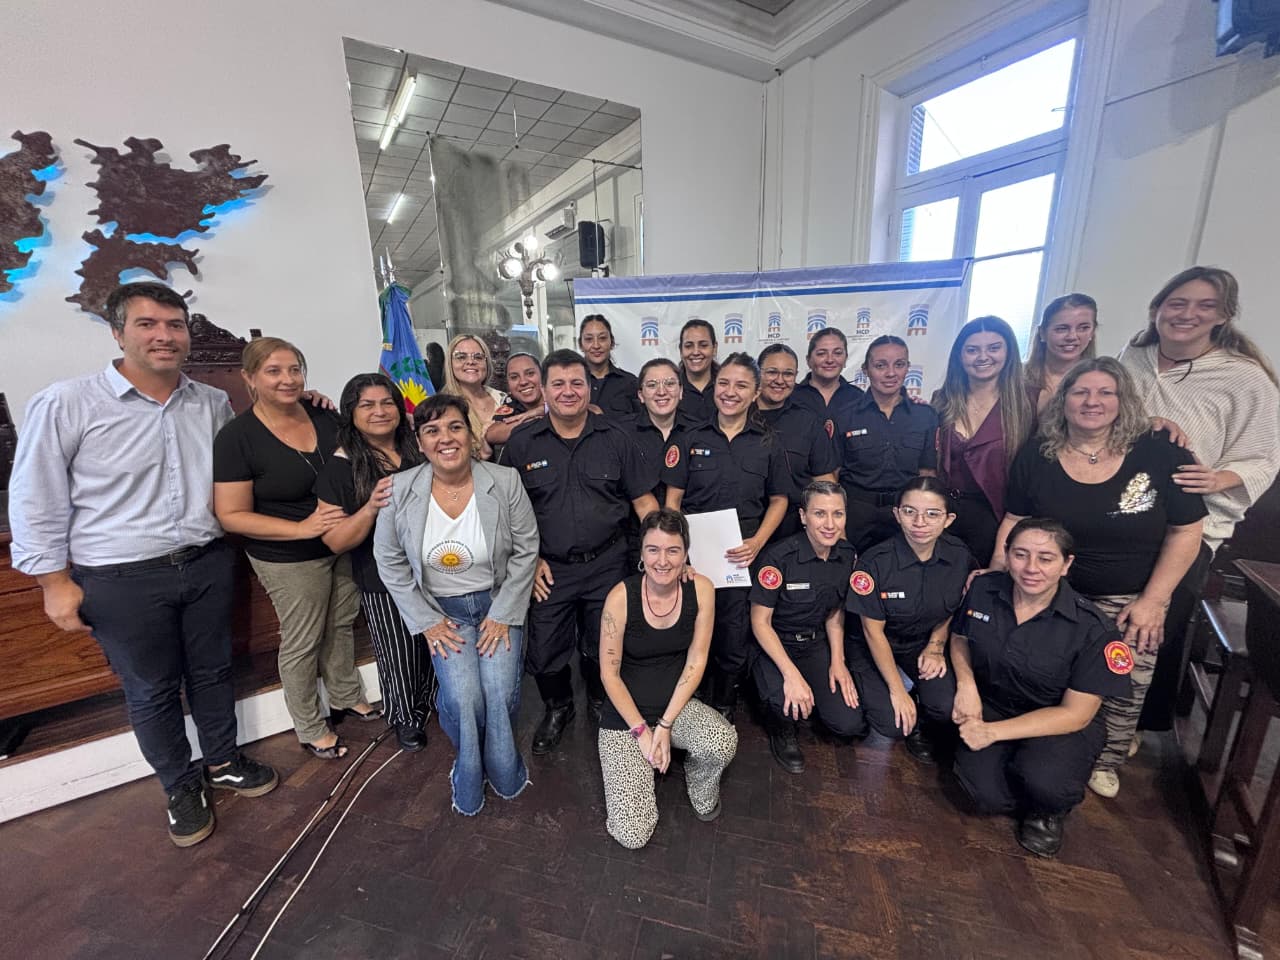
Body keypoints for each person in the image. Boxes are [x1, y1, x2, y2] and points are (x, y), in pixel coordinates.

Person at [9, 281, 277, 847]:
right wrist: (53, 582)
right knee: (152, 689)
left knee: (213, 672)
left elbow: (242, 462)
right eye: (148, 324)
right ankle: (181, 786)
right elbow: (35, 496)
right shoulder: (67, 403)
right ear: (116, 332)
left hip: (204, 562)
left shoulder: (209, 402)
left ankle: (224, 762)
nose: (164, 335)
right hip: (121, 576)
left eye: (174, 325)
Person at [993, 358, 1206, 799]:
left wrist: (1154, 600)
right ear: (1063, 401)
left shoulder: (1159, 450)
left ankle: (1106, 759)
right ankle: (1046, 744)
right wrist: (998, 575)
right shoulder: (1039, 452)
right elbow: (1015, 518)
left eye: (1105, 392)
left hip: (1130, 592)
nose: (1092, 401)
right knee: (1045, 671)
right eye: (1080, 392)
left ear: (1123, 399)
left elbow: (1186, 530)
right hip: (1050, 586)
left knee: (1124, 673)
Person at [1120, 266, 1280, 732]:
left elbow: (1265, 456)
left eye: (1204, 306)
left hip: (1190, 523)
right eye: (1177, 303)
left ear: (1224, 316)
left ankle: (1139, 724)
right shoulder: (1134, 355)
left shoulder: (1245, 378)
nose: (1187, 314)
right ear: (1158, 309)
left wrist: (1217, 478)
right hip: (1124, 510)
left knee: (1160, 625)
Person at [373, 395, 539, 815]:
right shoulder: (399, 490)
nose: (445, 438)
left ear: (471, 433)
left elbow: (526, 550)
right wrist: (426, 621)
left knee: (498, 692)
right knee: (464, 698)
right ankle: (468, 772)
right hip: (442, 613)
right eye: (432, 430)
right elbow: (388, 561)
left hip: (495, 604)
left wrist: (502, 613)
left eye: (454, 427)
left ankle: (505, 770)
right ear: (420, 441)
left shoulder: (503, 481)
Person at [214, 337, 376, 761]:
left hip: (340, 541)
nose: (287, 379)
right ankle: (309, 724)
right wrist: (300, 528)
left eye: (294, 370)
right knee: (303, 639)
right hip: (286, 553)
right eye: (273, 371)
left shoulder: (323, 415)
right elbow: (230, 515)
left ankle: (345, 694)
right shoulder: (237, 437)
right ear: (249, 379)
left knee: (341, 622)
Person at [503, 349, 660, 754]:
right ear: (543, 390)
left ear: (589, 388)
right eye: (558, 383)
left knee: (602, 644)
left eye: (577, 383)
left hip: (608, 563)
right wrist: (529, 559)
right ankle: (558, 707)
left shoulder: (617, 438)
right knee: (545, 650)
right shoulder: (521, 443)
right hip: (548, 569)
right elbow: (502, 512)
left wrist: (666, 554)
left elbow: (644, 504)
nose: (568, 391)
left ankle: (598, 700)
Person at [950, 519, 1132, 857]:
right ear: (1006, 556)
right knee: (982, 796)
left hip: (1058, 723)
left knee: (1044, 782)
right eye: (1020, 555)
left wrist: (991, 733)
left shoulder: (1094, 629)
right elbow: (961, 638)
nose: (1031, 568)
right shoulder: (985, 589)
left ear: (1067, 565)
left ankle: (1047, 811)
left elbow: (1076, 715)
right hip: (996, 702)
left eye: (1046, 558)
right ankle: (1017, 775)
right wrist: (966, 683)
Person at [597, 509, 735, 848]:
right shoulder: (620, 597)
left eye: (673, 550)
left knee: (721, 742)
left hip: (676, 706)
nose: (663, 560)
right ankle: (643, 772)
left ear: (686, 552)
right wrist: (643, 732)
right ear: (641, 554)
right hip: (626, 716)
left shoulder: (701, 589)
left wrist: (666, 723)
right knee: (632, 835)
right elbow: (608, 674)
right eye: (653, 550)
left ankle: (696, 778)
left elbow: (697, 657)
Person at [664, 352, 791, 718]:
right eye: (724, 383)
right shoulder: (689, 438)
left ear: (755, 393)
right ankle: (686, 704)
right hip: (693, 558)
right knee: (689, 628)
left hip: (741, 557)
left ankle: (722, 705)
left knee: (732, 636)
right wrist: (677, 551)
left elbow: (780, 500)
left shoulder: (769, 442)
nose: (730, 392)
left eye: (741, 385)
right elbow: (673, 499)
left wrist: (758, 542)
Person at [315, 373, 432, 752]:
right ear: (351, 413)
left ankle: (434, 704)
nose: (380, 411)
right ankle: (405, 718)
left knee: (435, 644)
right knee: (397, 651)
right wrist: (370, 507)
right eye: (367, 405)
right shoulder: (341, 464)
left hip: (435, 567)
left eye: (387, 403)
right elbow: (334, 540)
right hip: (381, 577)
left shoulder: (418, 446)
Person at [846, 477, 971, 764]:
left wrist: (937, 646)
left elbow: (952, 606)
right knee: (891, 724)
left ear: (948, 520)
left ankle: (919, 707)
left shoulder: (959, 556)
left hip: (920, 644)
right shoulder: (875, 562)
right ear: (896, 514)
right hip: (874, 645)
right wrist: (896, 690)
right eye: (909, 511)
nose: (920, 522)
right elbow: (872, 632)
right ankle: (902, 690)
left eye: (932, 514)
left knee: (946, 707)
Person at [749, 481, 863, 774]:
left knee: (848, 722)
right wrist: (791, 674)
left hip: (814, 644)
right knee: (786, 704)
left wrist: (838, 662)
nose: (829, 524)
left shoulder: (847, 556)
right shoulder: (778, 558)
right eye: (819, 514)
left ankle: (809, 699)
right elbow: (760, 622)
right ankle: (781, 728)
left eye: (837, 514)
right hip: (775, 645)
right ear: (803, 516)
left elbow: (835, 613)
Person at [932, 316, 1033, 566]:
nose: (983, 357)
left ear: (1008, 351)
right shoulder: (941, 400)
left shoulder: (1030, 401)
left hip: (998, 518)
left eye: (994, 348)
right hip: (944, 517)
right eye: (972, 350)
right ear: (959, 356)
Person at [836, 336, 939, 551]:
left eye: (899, 364)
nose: (890, 373)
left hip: (907, 516)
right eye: (880, 365)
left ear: (907, 368)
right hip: (857, 514)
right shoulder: (845, 416)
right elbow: (833, 476)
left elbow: (927, 473)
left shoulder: (925, 416)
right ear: (866, 369)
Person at [756, 344, 839, 542]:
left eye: (788, 374)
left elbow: (825, 481)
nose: (779, 380)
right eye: (772, 372)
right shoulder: (738, 417)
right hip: (747, 524)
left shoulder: (807, 422)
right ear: (758, 373)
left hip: (794, 530)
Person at [620, 357, 696, 559]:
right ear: (641, 395)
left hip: (691, 541)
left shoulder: (698, 431)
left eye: (670, 384)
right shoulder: (621, 433)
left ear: (681, 391)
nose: (661, 391)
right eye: (652, 385)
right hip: (635, 544)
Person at [1025, 294, 1098, 412]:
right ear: (1043, 333)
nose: (1072, 336)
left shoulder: (1104, 382)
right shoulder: (1016, 377)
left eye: (1083, 328)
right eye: (1062, 329)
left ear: (1092, 332)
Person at [790, 328, 864, 440]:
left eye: (837, 353)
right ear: (808, 360)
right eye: (821, 354)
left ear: (845, 359)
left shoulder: (859, 399)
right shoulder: (791, 397)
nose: (830, 360)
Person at [441, 333, 504, 459]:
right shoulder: (442, 408)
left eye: (478, 357)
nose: (470, 362)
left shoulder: (504, 399)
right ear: (450, 364)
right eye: (461, 357)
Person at [484, 351, 545, 464]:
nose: (523, 382)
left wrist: (545, 410)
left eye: (530, 373)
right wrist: (535, 416)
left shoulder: (556, 393)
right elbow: (492, 433)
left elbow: (585, 410)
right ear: (508, 383)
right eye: (514, 377)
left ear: (543, 375)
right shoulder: (511, 401)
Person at [579, 314, 641, 420]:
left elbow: (639, 425)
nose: (596, 345)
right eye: (589, 339)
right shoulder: (572, 384)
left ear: (611, 342)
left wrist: (603, 418)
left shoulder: (630, 383)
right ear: (580, 345)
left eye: (602, 338)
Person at [676, 318, 719, 423]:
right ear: (681, 350)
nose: (695, 352)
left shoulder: (728, 387)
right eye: (688, 346)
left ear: (714, 348)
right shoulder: (671, 390)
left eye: (703, 345)